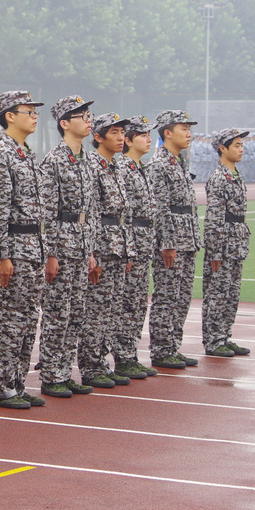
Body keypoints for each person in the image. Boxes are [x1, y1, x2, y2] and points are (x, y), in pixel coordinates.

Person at [0, 91, 51, 410]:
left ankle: (17, 382)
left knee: (27, 319)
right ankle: (1, 385)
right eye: (28, 111)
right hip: (15, 248)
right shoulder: (3, 154)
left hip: (33, 248)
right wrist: (2, 255)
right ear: (10, 115)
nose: (34, 116)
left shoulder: (25, 152)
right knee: (11, 319)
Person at [37, 96, 96, 397]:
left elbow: (91, 209)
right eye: (81, 115)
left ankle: (63, 369)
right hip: (61, 244)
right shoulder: (54, 161)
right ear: (64, 123)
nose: (88, 119)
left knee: (75, 313)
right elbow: (46, 212)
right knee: (57, 312)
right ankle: (50, 374)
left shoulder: (86, 159)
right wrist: (50, 254)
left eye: (88, 114)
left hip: (81, 243)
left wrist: (92, 251)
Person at [77, 113, 135, 389]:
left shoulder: (117, 166)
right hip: (102, 246)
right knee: (96, 310)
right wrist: (94, 254)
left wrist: (128, 251)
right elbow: (91, 214)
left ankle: (102, 361)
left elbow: (123, 214)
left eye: (122, 132)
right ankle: (91, 365)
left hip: (118, 245)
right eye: (114, 132)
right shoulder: (93, 166)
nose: (121, 137)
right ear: (98, 137)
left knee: (111, 308)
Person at [147, 110, 202, 369]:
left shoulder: (179, 162)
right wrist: (167, 243)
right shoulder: (159, 165)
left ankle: (173, 346)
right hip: (172, 241)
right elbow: (160, 207)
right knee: (167, 296)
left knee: (182, 296)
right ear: (167, 133)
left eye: (189, 129)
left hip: (187, 238)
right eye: (183, 128)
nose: (188, 133)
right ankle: (161, 349)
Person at [114, 116, 160, 379]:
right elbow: (125, 216)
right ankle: (123, 356)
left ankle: (130, 353)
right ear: (128, 141)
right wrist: (129, 248)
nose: (148, 138)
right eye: (142, 135)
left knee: (138, 302)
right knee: (127, 302)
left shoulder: (140, 168)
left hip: (144, 244)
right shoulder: (124, 169)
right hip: (130, 245)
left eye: (148, 134)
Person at [202, 128, 252, 358]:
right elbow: (213, 218)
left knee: (231, 294)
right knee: (217, 294)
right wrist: (214, 252)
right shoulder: (219, 177)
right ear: (223, 148)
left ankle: (224, 336)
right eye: (237, 145)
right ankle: (213, 340)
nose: (241, 149)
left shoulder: (235, 174)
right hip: (222, 245)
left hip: (237, 242)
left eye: (242, 145)